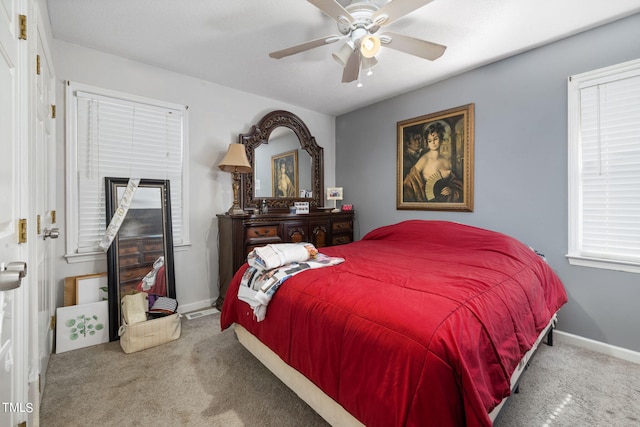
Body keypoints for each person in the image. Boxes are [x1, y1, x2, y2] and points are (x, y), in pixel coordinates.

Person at [403, 122, 463, 203]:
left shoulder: (446, 161)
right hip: (428, 202)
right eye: (430, 140)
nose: (433, 143)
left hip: (444, 203)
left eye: (436, 139)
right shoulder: (424, 159)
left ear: (441, 140)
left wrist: (451, 190)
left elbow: (456, 183)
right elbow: (409, 182)